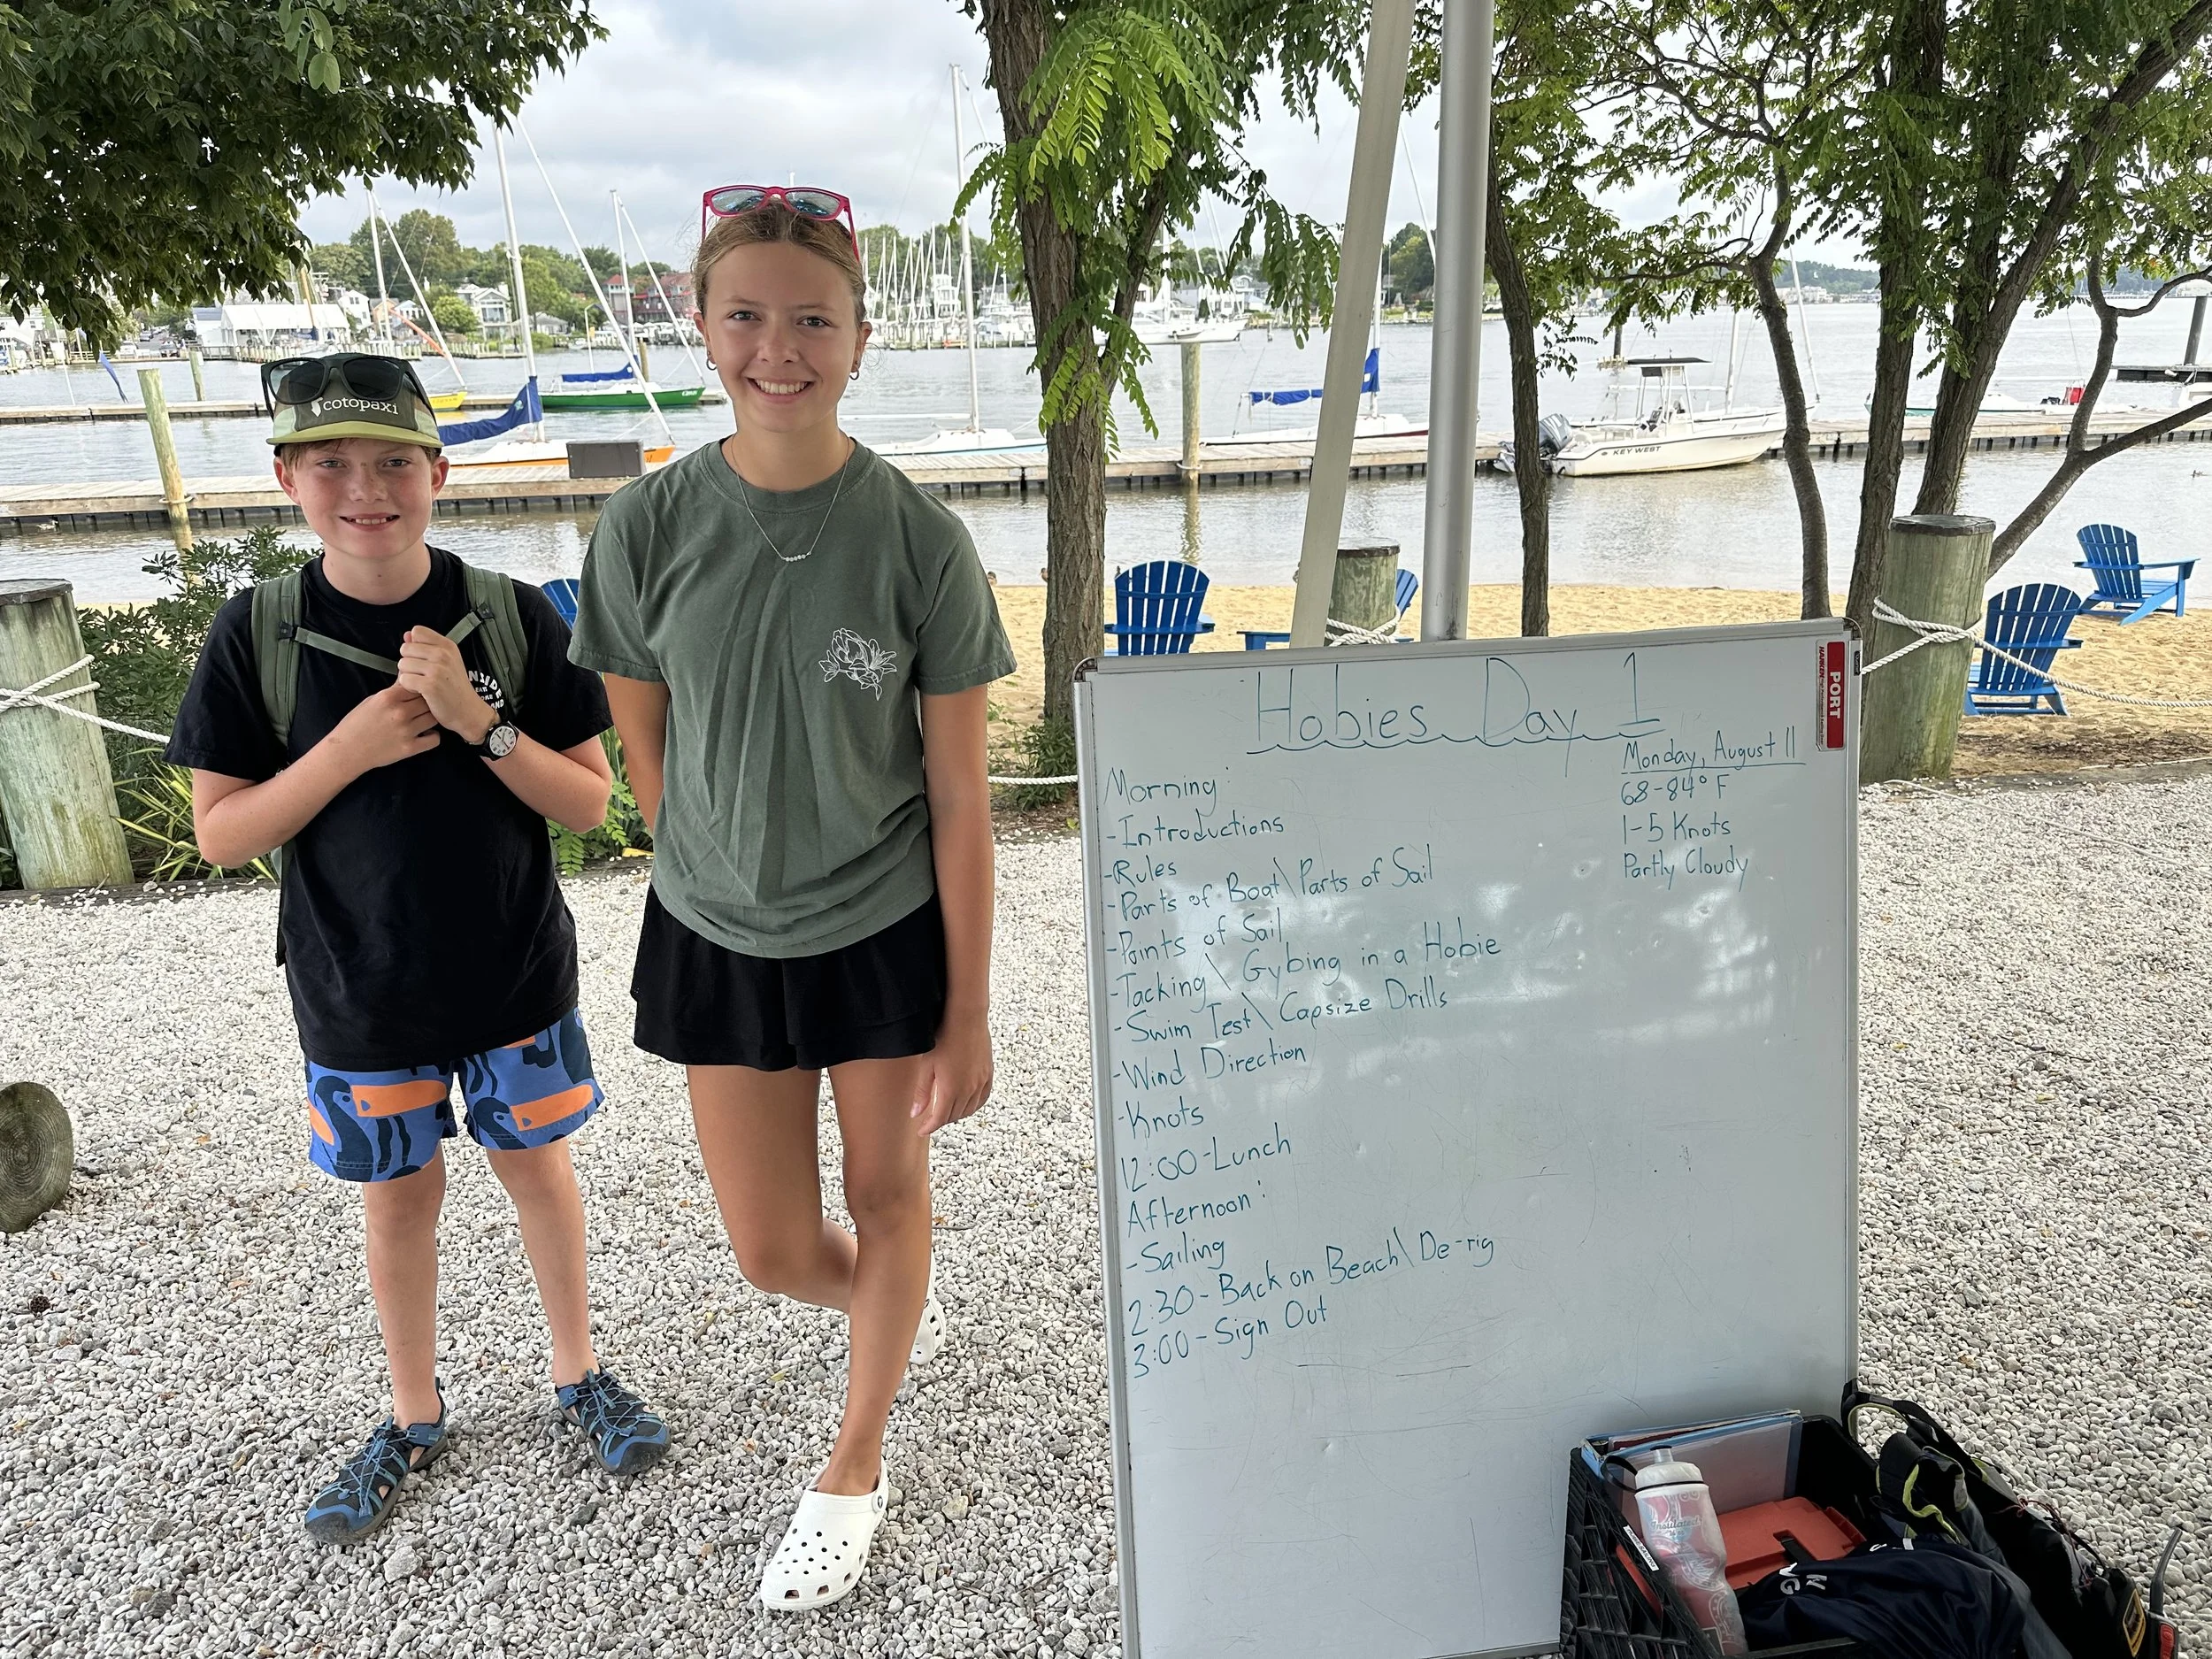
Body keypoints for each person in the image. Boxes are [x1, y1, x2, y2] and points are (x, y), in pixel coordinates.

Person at [568, 185, 1014, 1611]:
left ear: (860, 337)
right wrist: (706, 853)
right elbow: (649, 746)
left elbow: (959, 798)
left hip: (883, 927)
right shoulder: (642, 527)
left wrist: (969, 1010)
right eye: (747, 313)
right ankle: (893, 1309)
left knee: (890, 1194)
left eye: (812, 318)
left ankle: (856, 1458)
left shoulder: (921, 542)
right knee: (769, 1248)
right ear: (700, 326)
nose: (780, 346)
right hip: (716, 931)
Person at [165, 354, 670, 1541]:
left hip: (514, 974)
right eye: (332, 461)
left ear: (438, 472)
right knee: (398, 1197)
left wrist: (479, 722)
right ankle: (410, 1410)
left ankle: (578, 1370)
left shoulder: (508, 613)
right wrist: (342, 752)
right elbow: (223, 830)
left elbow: (593, 805)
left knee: (538, 1168)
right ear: (288, 476)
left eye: (394, 459)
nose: (366, 486)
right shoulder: (258, 633)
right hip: (357, 987)